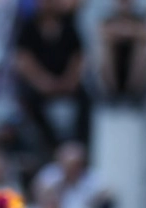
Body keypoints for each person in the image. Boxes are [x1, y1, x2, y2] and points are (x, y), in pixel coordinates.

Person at [12, 0, 89, 151]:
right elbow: (24, 60)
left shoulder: (68, 26)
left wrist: (70, 80)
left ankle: (80, 144)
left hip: (67, 82)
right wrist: (44, 83)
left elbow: (78, 56)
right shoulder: (29, 27)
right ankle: (51, 145)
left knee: (86, 100)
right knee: (29, 101)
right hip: (39, 84)